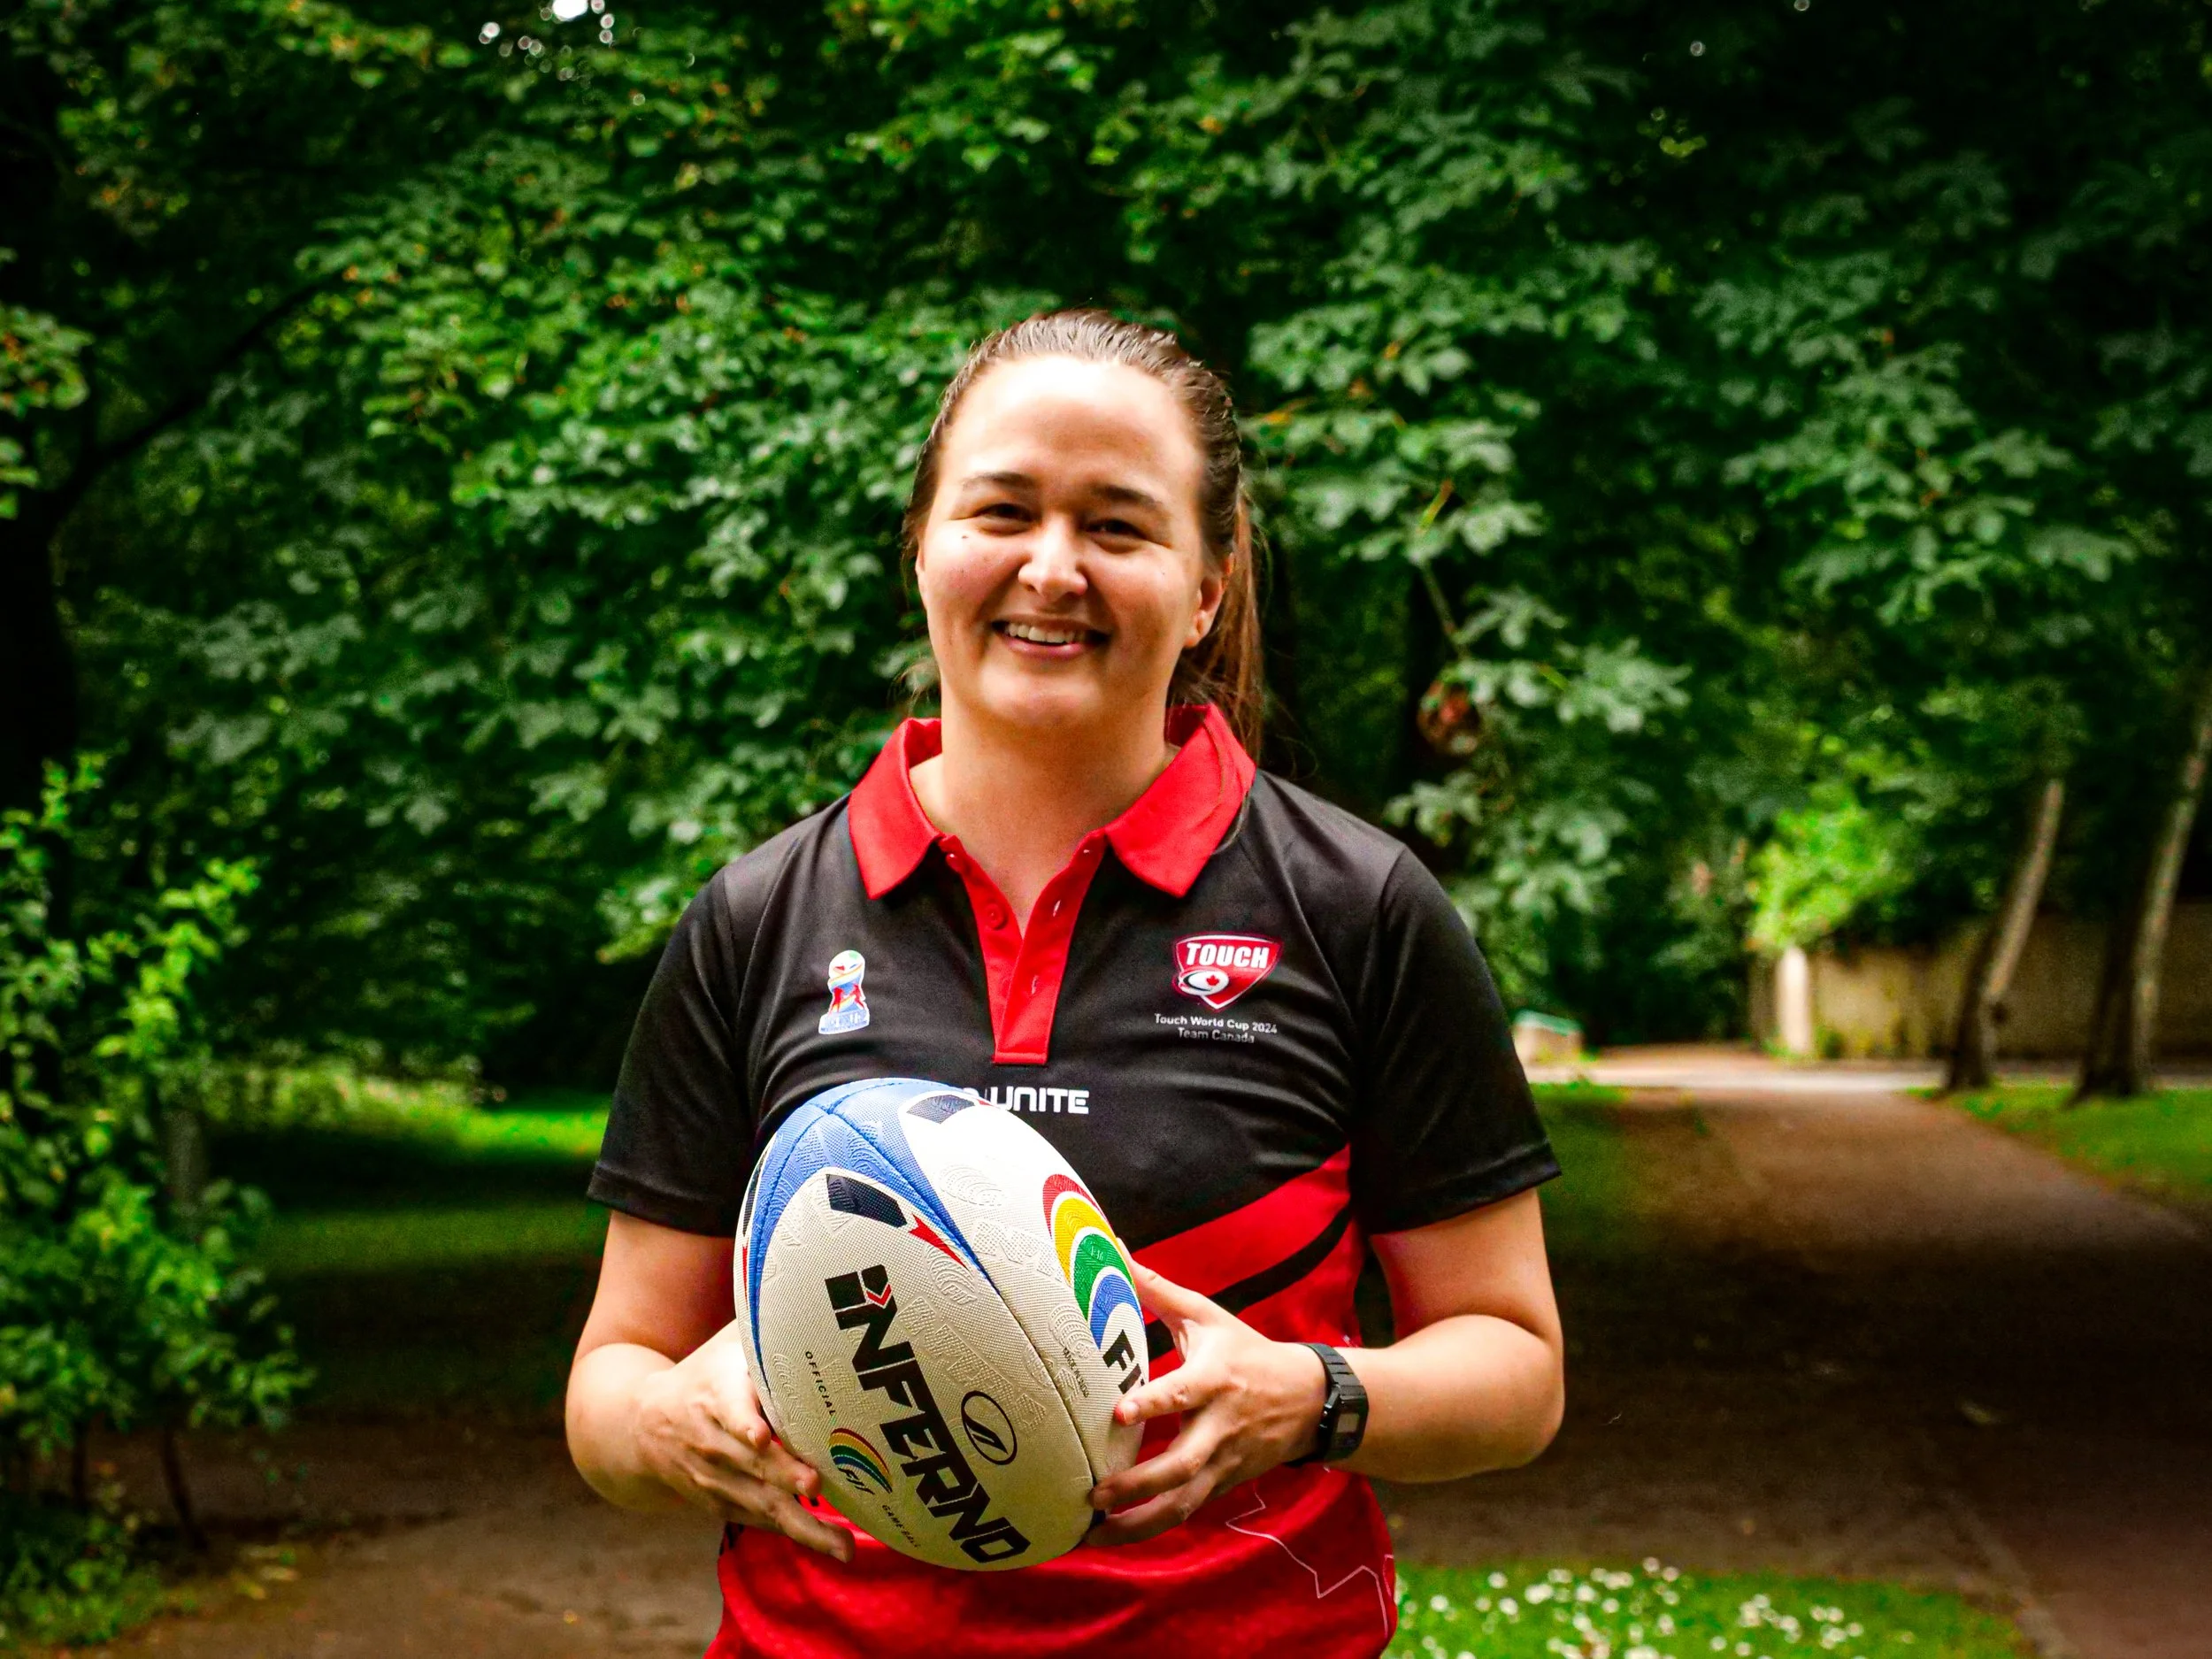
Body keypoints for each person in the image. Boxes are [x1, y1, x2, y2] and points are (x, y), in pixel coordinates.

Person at [565, 310, 1565, 1658]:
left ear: (1207, 584)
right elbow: (609, 1381)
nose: (1052, 568)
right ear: (920, 543)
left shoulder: (1356, 908)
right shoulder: (759, 918)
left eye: (1117, 525)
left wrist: (1310, 1396)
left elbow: (1515, 1366)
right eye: (1004, 509)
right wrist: (663, 1425)